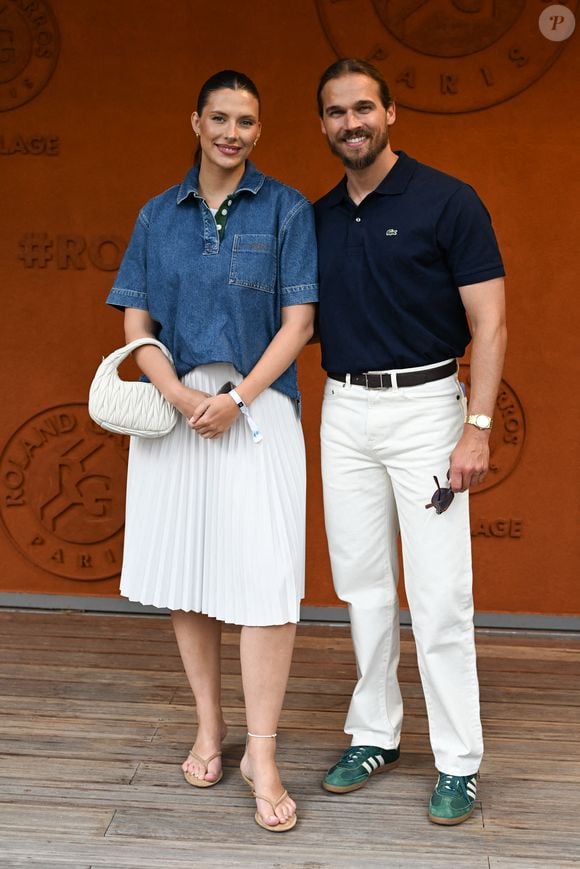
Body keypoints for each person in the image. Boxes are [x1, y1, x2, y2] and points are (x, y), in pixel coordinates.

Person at [106, 70, 318, 832]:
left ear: (260, 131)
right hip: (178, 413)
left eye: (247, 121)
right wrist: (182, 396)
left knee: (267, 583)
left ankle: (263, 752)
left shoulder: (288, 207)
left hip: (258, 411)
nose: (233, 132)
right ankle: (210, 725)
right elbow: (137, 324)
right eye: (220, 117)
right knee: (189, 573)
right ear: (194, 120)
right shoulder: (157, 216)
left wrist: (234, 400)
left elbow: (298, 323)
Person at [314, 59, 506, 825]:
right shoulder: (319, 215)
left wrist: (478, 426)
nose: (351, 122)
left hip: (428, 408)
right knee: (361, 587)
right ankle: (375, 734)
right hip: (343, 411)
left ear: (390, 112)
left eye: (364, 108)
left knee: (439, 596)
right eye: (336, 112)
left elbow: (490, 322)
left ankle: (458, 759)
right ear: (323, 124)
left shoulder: (448, 201)